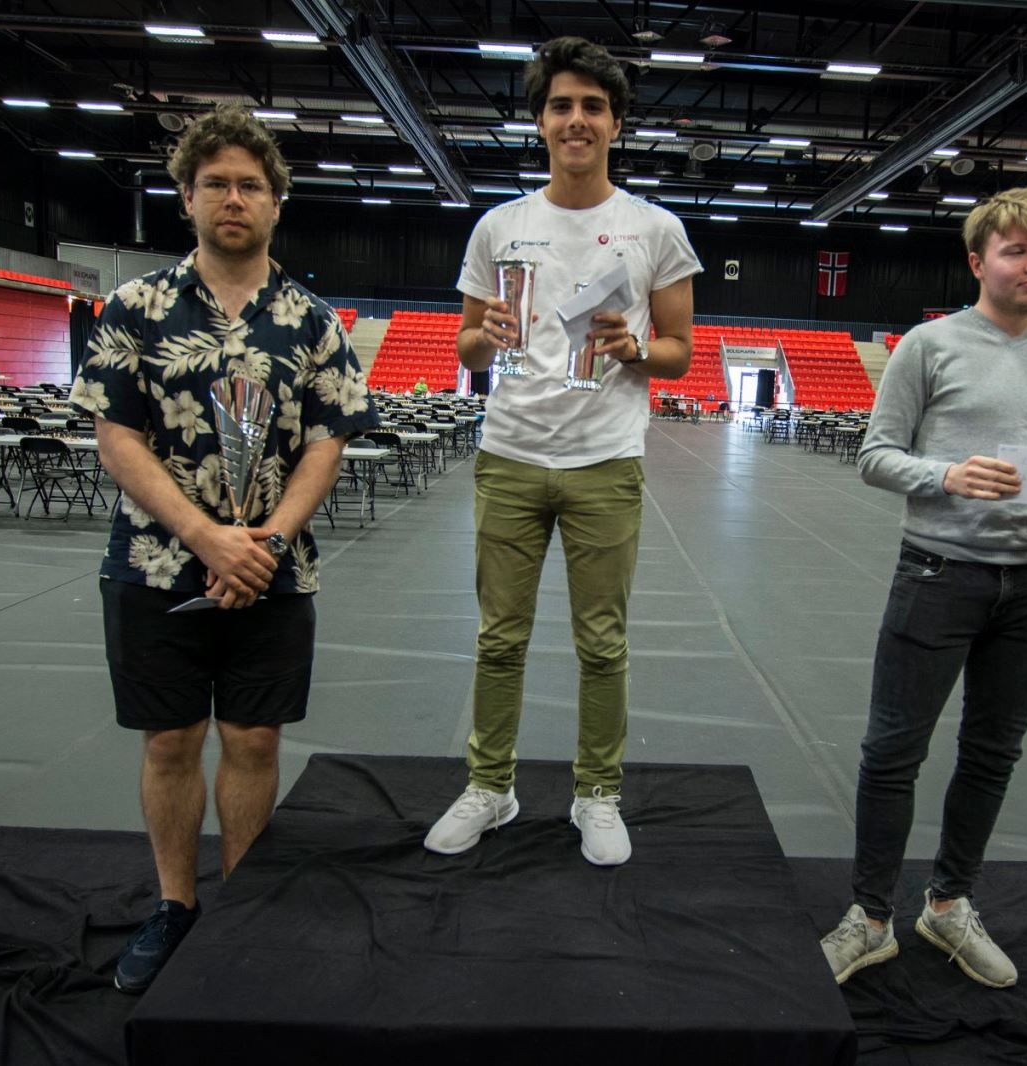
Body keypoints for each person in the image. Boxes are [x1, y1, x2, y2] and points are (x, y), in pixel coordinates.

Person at [73, 104, 377, 993]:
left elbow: (327, 442)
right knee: (170, 742)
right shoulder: (135, 307)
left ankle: (241, 906)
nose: (233, 198)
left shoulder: (314, 321)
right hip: (154, 563)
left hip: (274, 571)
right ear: (187, 198)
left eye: (250, 185)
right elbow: (116, 439)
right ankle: (176, 905)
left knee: (253, 738)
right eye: (216, 184)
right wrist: (206, 534)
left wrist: (264, 544)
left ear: (277, 202)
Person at [424, 36, 701, 867]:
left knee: (602, 644)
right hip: (509, 456)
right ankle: (491, 786)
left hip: (605, 461)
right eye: (561, 105)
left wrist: (634, 348)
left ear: (615, 124)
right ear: (540, 122)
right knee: (498, 639)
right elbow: (466, 348)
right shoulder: (499, 226)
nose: (576, 120)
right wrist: (485, 335)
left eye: (592, 107)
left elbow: (680, 351)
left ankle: (597, 793)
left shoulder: (655, 229)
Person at [819, 187, 1027, 988]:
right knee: (892, 751)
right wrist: (946, 474)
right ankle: (871, 917)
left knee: (992, 753)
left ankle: (948, 905)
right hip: (937, 573)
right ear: (979, 262)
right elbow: (876, 456)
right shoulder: (928, 346)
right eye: (1017, 251)